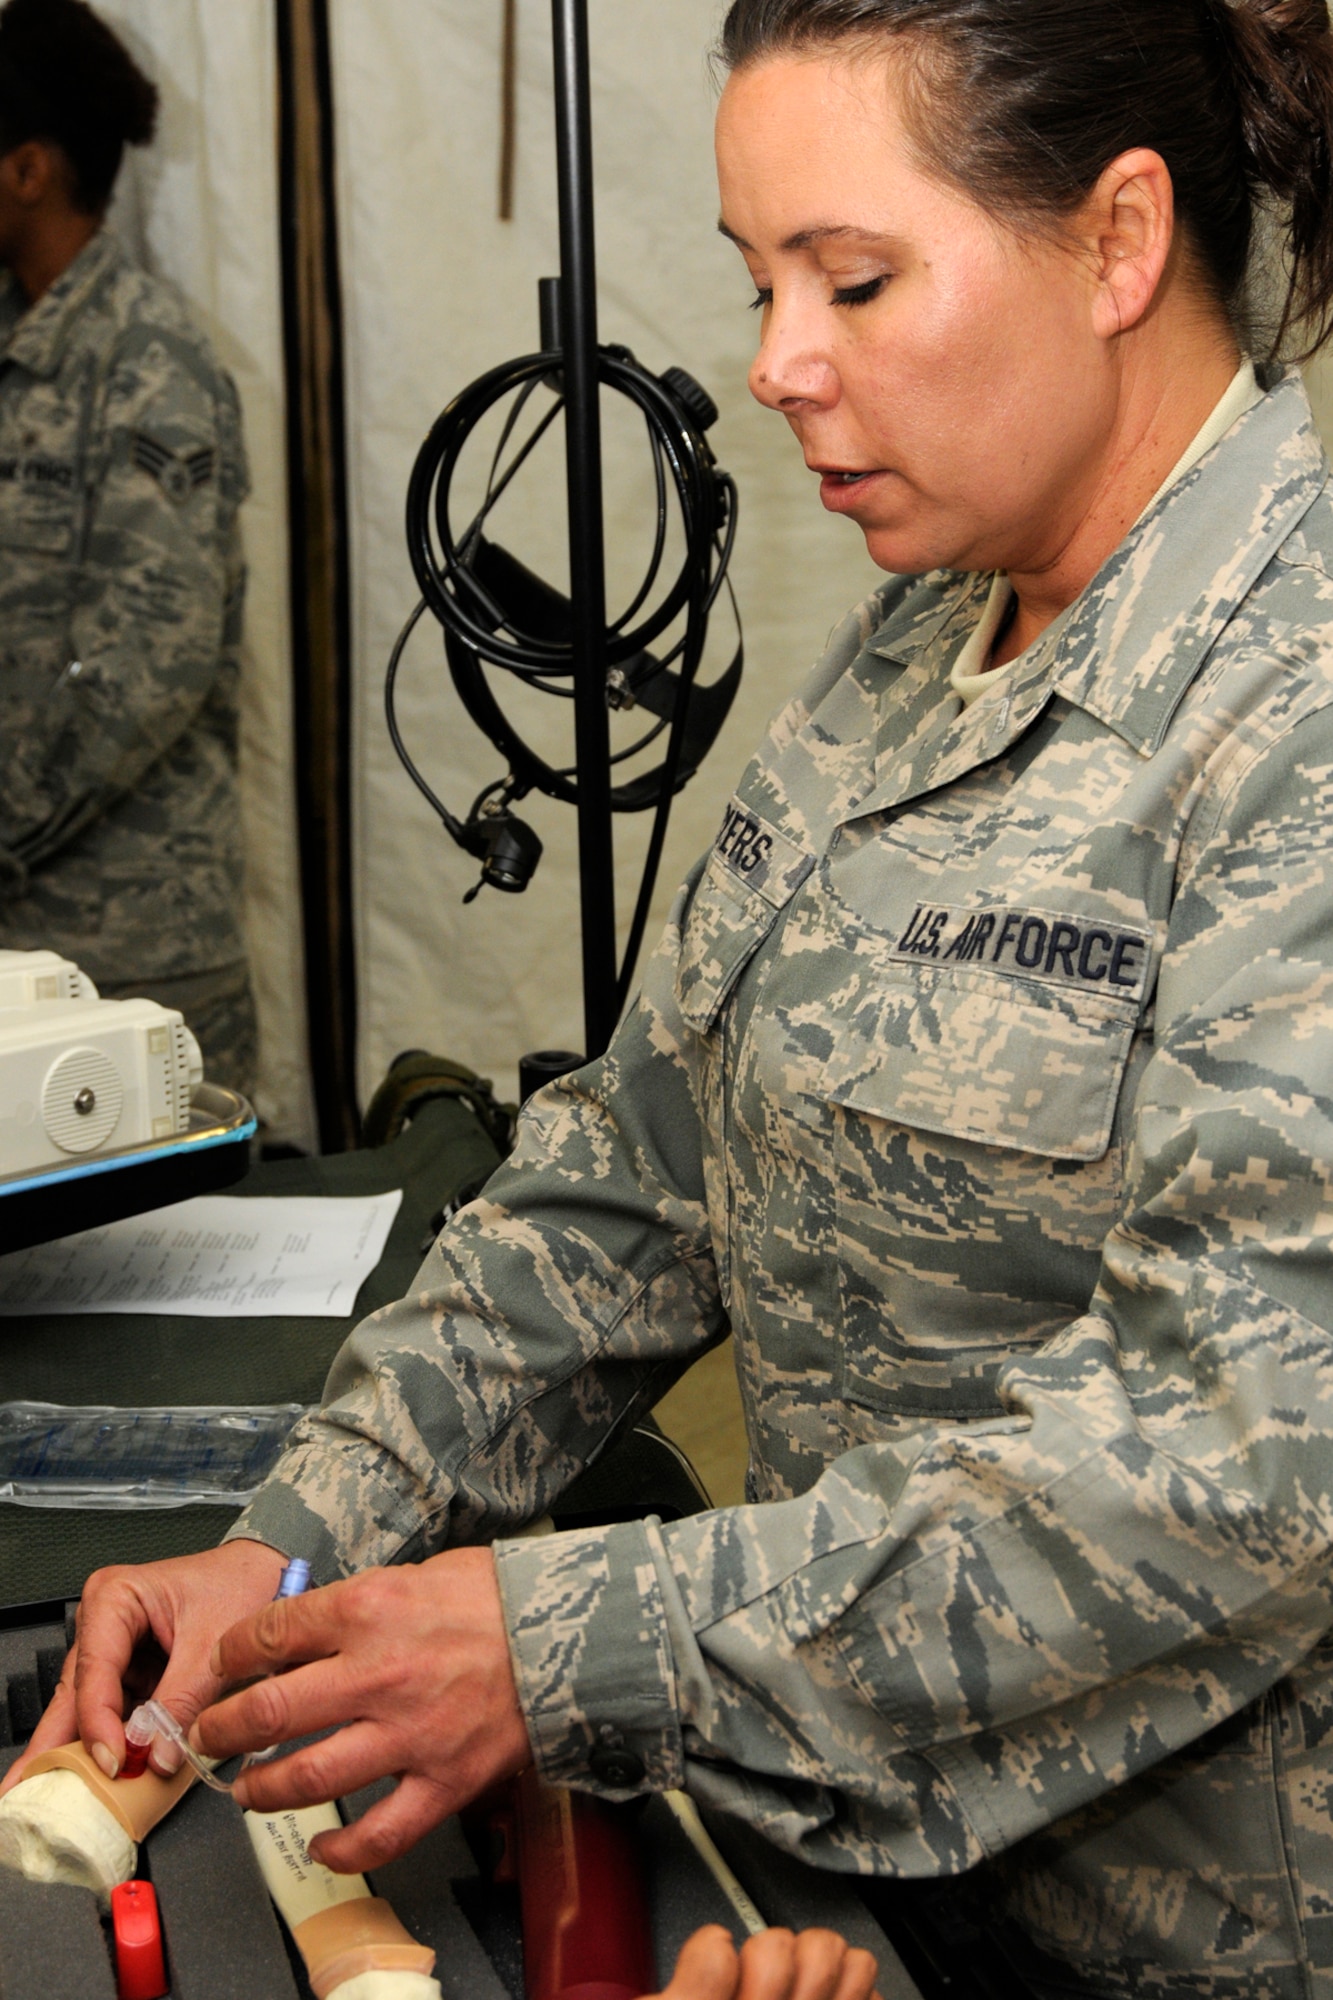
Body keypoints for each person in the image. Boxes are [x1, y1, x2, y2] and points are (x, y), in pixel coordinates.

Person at [14, 0, 1333, 1992]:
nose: (777, 364)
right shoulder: (912, 646)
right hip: (846, 1879)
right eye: (760, 282)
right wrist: (289, 1552)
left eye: (854, 279)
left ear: (1117, 240)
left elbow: (1229, 1465)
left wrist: (555, 1643)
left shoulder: (1291, 702)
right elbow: (628, 1182)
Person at [0, 0, 255, 1096]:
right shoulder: (11, 346)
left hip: (138, 952)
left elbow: (156, 649)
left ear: (26, 170)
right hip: (25, 945)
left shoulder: (148, 355)